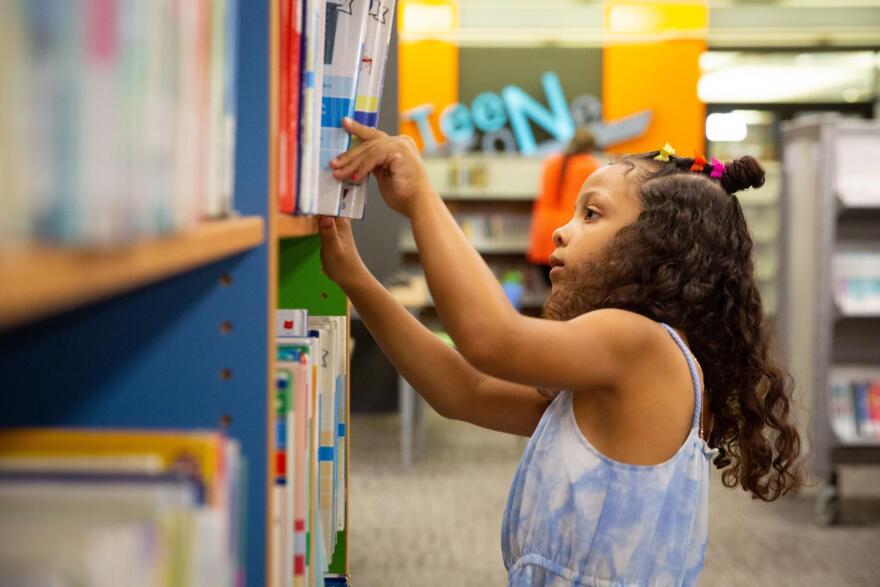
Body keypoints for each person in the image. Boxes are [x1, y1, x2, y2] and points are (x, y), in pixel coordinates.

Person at [319, 118, 803, 586]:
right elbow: (463, 390)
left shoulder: (640, 345)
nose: (560, 230)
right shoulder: (614, 377)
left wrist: (421, 196)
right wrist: (355, 279)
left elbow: (492, 340)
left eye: (590, 213)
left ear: (658, 245)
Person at [528, 128, 602, 287]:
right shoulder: (588, 165)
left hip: (542, 233)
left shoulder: (551, 162)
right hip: (568, 234)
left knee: (550, 290)